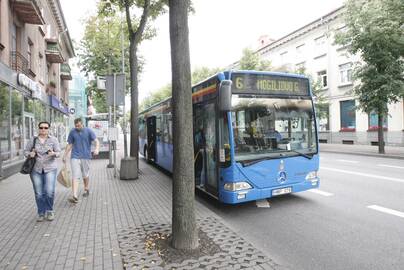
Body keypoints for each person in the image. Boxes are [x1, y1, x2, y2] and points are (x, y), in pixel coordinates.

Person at [24, 121, 61, 222]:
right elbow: (25, 151)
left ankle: (49, 211)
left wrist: (54, 153)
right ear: (38, 128)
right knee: (39, 193)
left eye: (45, 128)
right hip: (36, 169)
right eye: (41, 128)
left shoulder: (53, 139)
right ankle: (41, 212)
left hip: (50, 168)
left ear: (48, 129)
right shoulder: (33, 140)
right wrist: (30, 154)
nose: (43, 130)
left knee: (49, 191)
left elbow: (58, 152)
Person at [63, 118, 99, 203]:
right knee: (75, 175)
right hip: (75, 156)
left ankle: (86, 188)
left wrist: (97, 149)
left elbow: (96, 141)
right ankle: (74, 195)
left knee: (85, 174)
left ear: (82, 124)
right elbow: (70, 144)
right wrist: (65, 155)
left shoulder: (89, 131)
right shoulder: (72, 132)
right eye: (76, 126)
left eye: (78, 125)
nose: (77, 127)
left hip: (86, 156)